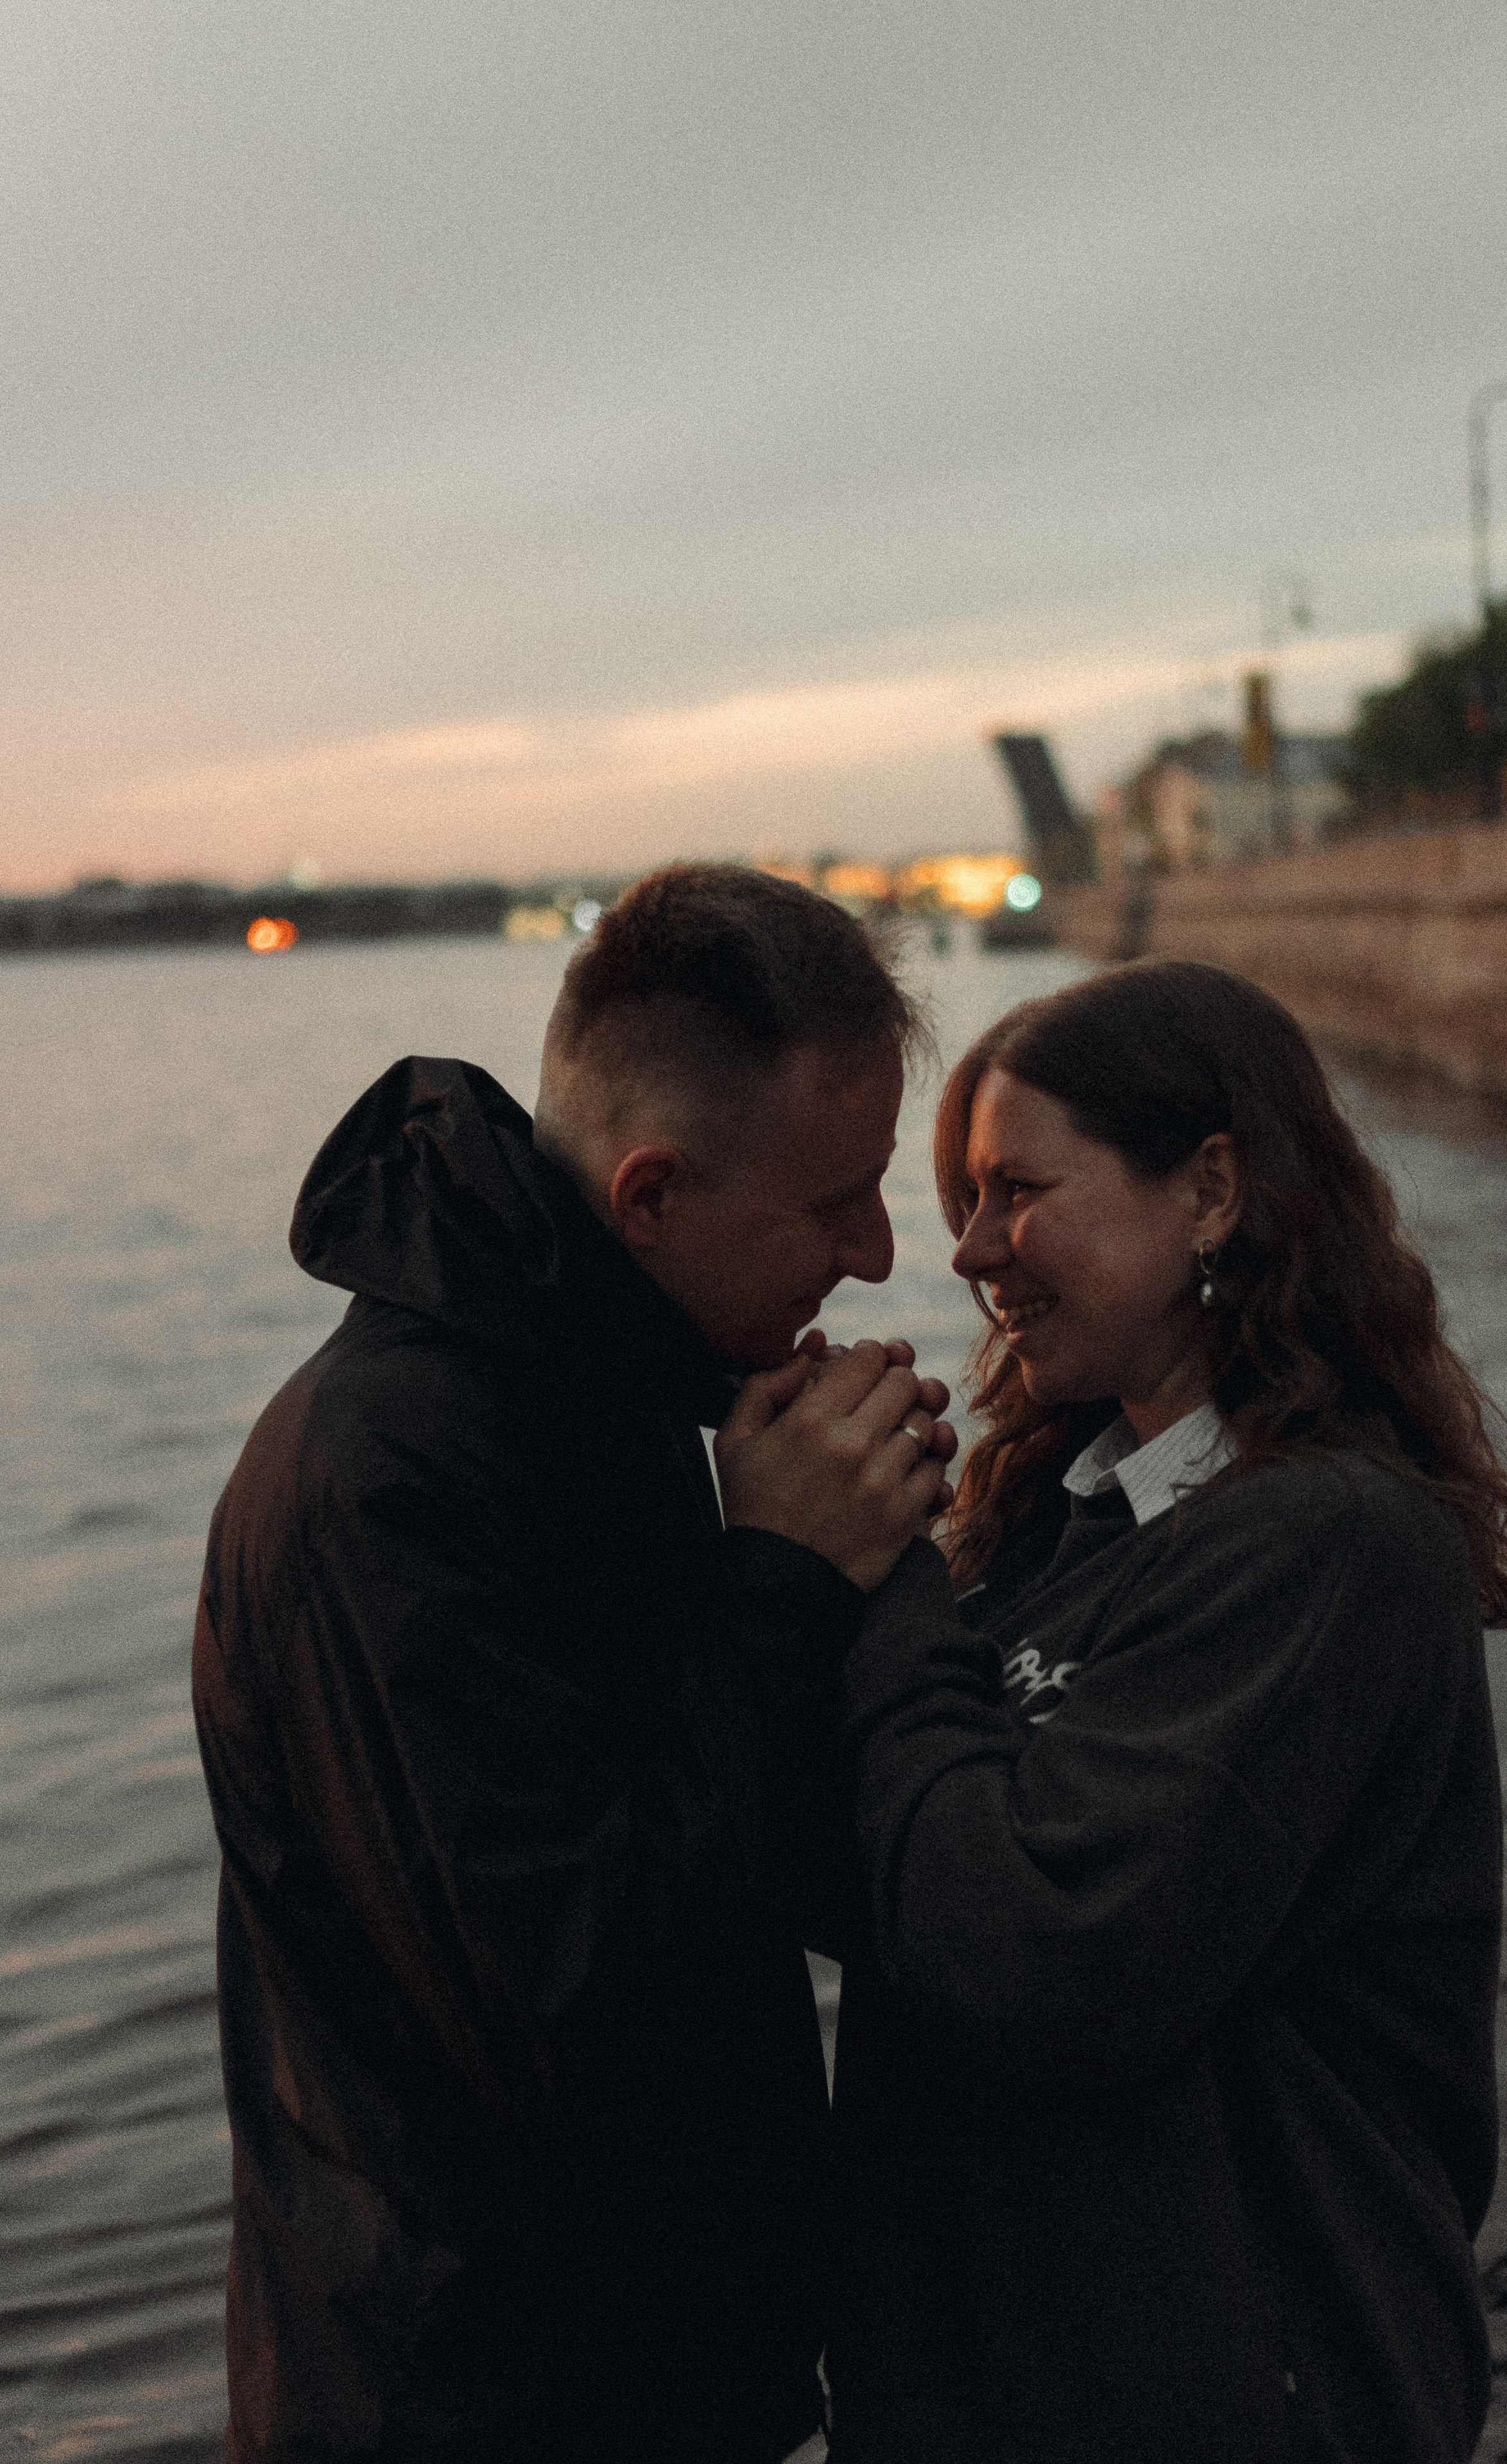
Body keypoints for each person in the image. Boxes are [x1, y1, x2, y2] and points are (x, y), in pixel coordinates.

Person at [715, 959, 1507, 2464]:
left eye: (1016, 1192)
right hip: (988, 2395)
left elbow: (1035, 1958)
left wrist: (888, 1582)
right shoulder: (1057, 1530)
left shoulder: (1324, 1546)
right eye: (965, 1200)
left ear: (1209, 1191)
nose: (969, 1250)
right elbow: (887, 1889)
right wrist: (786, 1578)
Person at [191, 864, 954, 2464]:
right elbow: (574, 2014)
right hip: (470, 2407)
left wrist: (904, 1576)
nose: (882, 1254)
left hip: (648, 2379)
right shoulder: (388, 1480)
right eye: (837, 1201)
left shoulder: (603, 1388)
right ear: (648, 1197)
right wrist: (781, 1576)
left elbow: (764, 1858)